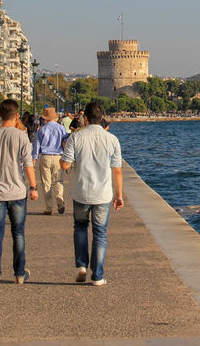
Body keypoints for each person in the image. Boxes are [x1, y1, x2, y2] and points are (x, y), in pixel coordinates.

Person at [60, 101, 124, 286]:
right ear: (101, 118)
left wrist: (65, 163)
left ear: (85, 118)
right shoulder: (112, 140)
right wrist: (118, 195)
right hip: (103, 194)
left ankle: (81, 266)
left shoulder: (76, 138)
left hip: (81, 191)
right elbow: (117, 170)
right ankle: (97, 275)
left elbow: (65, 164)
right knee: (100, 233)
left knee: (80, 227)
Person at [0, 99, 38, 291]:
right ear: (15, 116)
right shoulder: (22, 137)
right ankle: (19, 274)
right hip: (17, 192)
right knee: (18, 233)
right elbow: (28, 164)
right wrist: (34, 187)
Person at [32, 107, 69, 215]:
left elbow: (36, 146)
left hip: (45, 157)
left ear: (45, 118)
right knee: (58, 181)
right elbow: (65, 142)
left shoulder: (42, 129)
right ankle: (59, 196)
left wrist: (34, 159)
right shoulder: (61, 128)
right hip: (58, 156)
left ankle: (49, 207)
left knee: (46, 183)